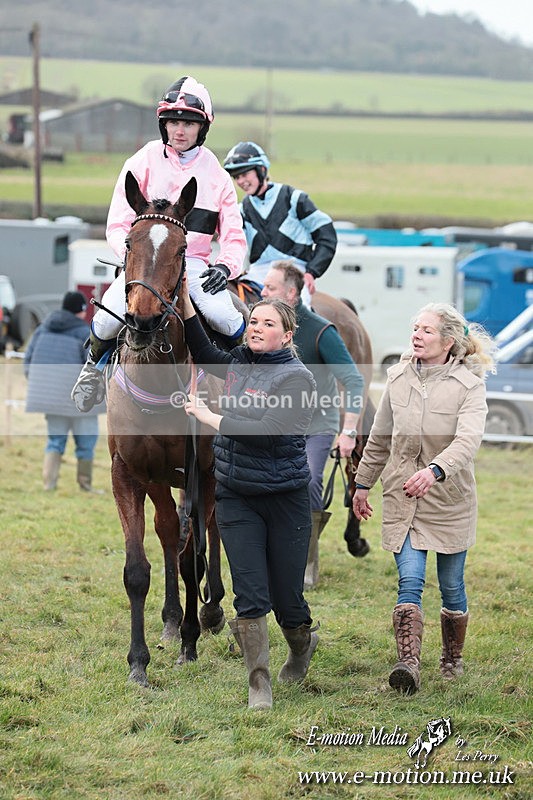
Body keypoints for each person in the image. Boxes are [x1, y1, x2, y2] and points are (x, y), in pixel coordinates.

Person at [181, 278, 318, 710]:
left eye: (266, 322)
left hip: (285, 500)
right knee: (250, 594)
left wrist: (210, 415)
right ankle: (259, 682)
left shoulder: (297, 378)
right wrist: (185, 302)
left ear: (287, 335)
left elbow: (268, 432)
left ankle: (301, 643)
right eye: (253, 320)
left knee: (287, 601)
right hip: (237, 496)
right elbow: (205, 354)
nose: (256, 327)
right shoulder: (239, 361)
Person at [72, 76, 247, 413]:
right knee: (107, 319)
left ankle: (239, 381)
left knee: (227, 319)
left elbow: (234, 235)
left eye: (188, 123)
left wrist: (225, 266)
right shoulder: (142, 161)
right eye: (173, 122)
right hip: (141, 263)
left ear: (202, 128)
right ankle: (91, 371)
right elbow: (118, 222)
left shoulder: (217, 174)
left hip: (192, 264)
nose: (179, 130)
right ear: (163, 124)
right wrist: (131, 256)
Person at [352, 303, 496, 695]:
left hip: (449, 499)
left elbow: (468, 441)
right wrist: (362, 483)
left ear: (448, 341)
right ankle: (408, 664)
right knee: (409, 581)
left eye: (427, 330)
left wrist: (434, 471)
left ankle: (452, 659)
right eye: (415, 327)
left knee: (452, 586)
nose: (416, 335)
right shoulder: (397, 378)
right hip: (404, 496)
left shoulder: (470, 385)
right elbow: (380, 438)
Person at [261, 261, 365, 588]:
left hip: (316, 426)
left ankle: (306, 563)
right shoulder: (260, 326)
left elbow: (354, 381)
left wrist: (349, 431)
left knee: (306, 481)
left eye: (270, 288)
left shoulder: (322, 331)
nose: (262, 292)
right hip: (272, 424)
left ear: (291, 294)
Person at [223, 141, 337, 306]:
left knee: (298, 308)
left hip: (293, 272)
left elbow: (327, 236)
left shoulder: (294, 199)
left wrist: (312, 272)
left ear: (262, 170)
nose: (241, 181)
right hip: (257, 274)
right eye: (237, 177)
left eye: (245, 174)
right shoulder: (241, 210)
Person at [24, 291, 104, 492]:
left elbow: (28, 362)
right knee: (86, 443)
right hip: (78, 402)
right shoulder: (84, 332)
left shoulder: (42, 329)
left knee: (55, 442)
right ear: (80, 310)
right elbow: (92, 367)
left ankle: (48, 485)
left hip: (52, 400)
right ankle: (85, 486)